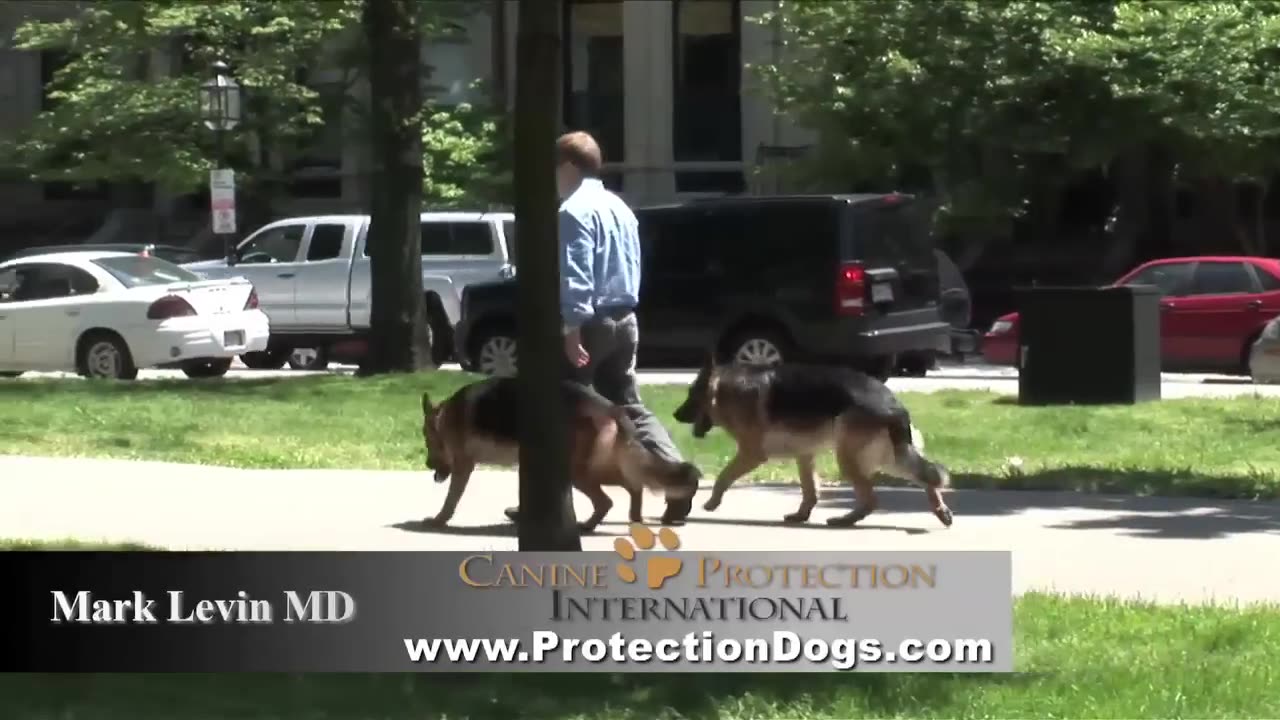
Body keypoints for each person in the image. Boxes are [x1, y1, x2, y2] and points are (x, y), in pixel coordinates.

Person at [505, 131, 687, 523]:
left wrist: (571, 329)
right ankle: (677, 478)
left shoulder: (573, 211)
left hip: (589, 323)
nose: (552, 178)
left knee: (556, 411)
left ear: (569, 165)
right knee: (629, 406)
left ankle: (545, 501)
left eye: (554, 169)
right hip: (626, 318)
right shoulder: (620, 208)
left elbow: (576, 274)